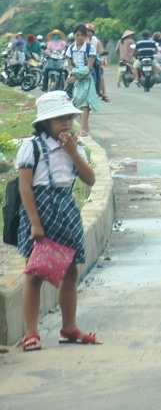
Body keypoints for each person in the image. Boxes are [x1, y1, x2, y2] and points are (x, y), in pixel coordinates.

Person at [15, 91, 100, 352]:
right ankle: (31, 333)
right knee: (35, 272)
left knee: (71, 269)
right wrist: (34, 222)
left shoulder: (75, 146)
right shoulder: (32, 147)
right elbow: (26, 187)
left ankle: (69, 326)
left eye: (68, 118)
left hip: (66, 207)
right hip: (40, 208)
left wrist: (73, 152)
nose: (65, 124)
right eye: (58, 119)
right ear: (44, 123)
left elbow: (90, 179)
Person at [65, 24, 99, 135]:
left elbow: (89, 66)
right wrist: (73, 74)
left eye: (82, 35)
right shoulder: (70, 48)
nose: (80, 38)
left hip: (86, 76)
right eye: (77, 35)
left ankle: (84, 128)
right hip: (75, 75)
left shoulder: (90, 48)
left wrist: (77, 75)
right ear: (74, 35)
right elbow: (70, 65)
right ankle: (85, 128)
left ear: (85, 36)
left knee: (84, 103)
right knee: (76, 101)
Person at [86, 24, 107, 102]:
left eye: (90, 32)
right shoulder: (81, 40)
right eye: (86, 31)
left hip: (94, 61)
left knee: (100, 75)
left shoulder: (96, 41)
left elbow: (102, 52)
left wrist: (103, 58)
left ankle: (102, 93)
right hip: (82, 61)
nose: (88, 33)